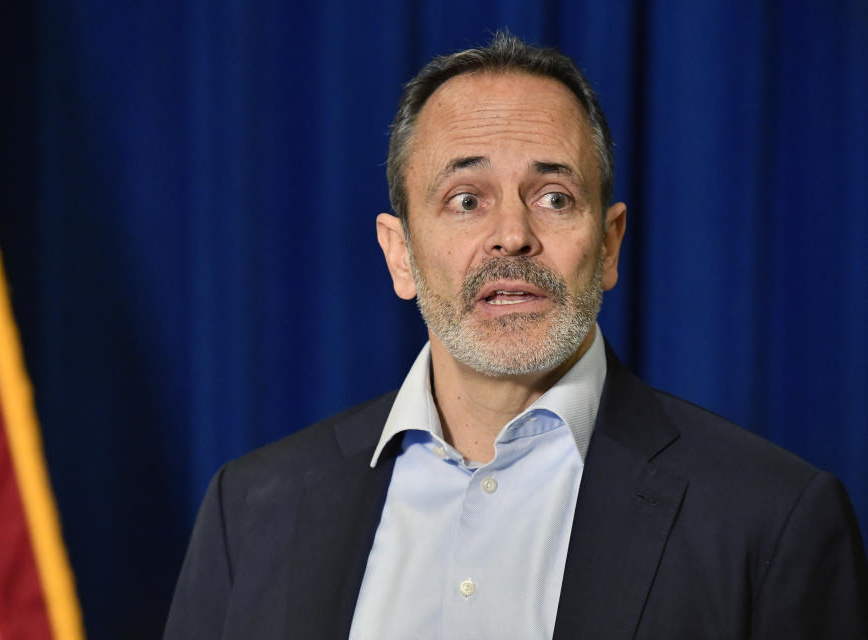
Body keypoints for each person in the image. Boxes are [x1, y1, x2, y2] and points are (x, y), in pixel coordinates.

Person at [164, 33, 868, 639]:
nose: (512, 236)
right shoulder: (250, 511)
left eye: (554, 198)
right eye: (465, 200)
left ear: (610, 243)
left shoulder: (771, 519)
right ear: (399, 254)